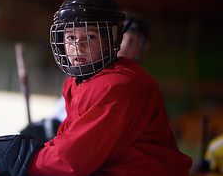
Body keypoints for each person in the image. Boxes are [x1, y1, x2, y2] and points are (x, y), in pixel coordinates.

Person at [0, 0, 192, 176]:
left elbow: (74, 160)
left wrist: (26, 162)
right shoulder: (79, 82)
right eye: (71, 37)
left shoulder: (122, 85)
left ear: (111, 40)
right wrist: (19, 167)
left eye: (89, 37)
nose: (78, 47)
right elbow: (68, 142)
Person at [20, 11, 151, 144]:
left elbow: (82, 145)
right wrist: (47, 127)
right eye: (124, 39)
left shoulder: (129, 83)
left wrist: (41, 149)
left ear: (144, 47)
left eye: (133, 41)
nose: (126, 46)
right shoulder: (89, 74)